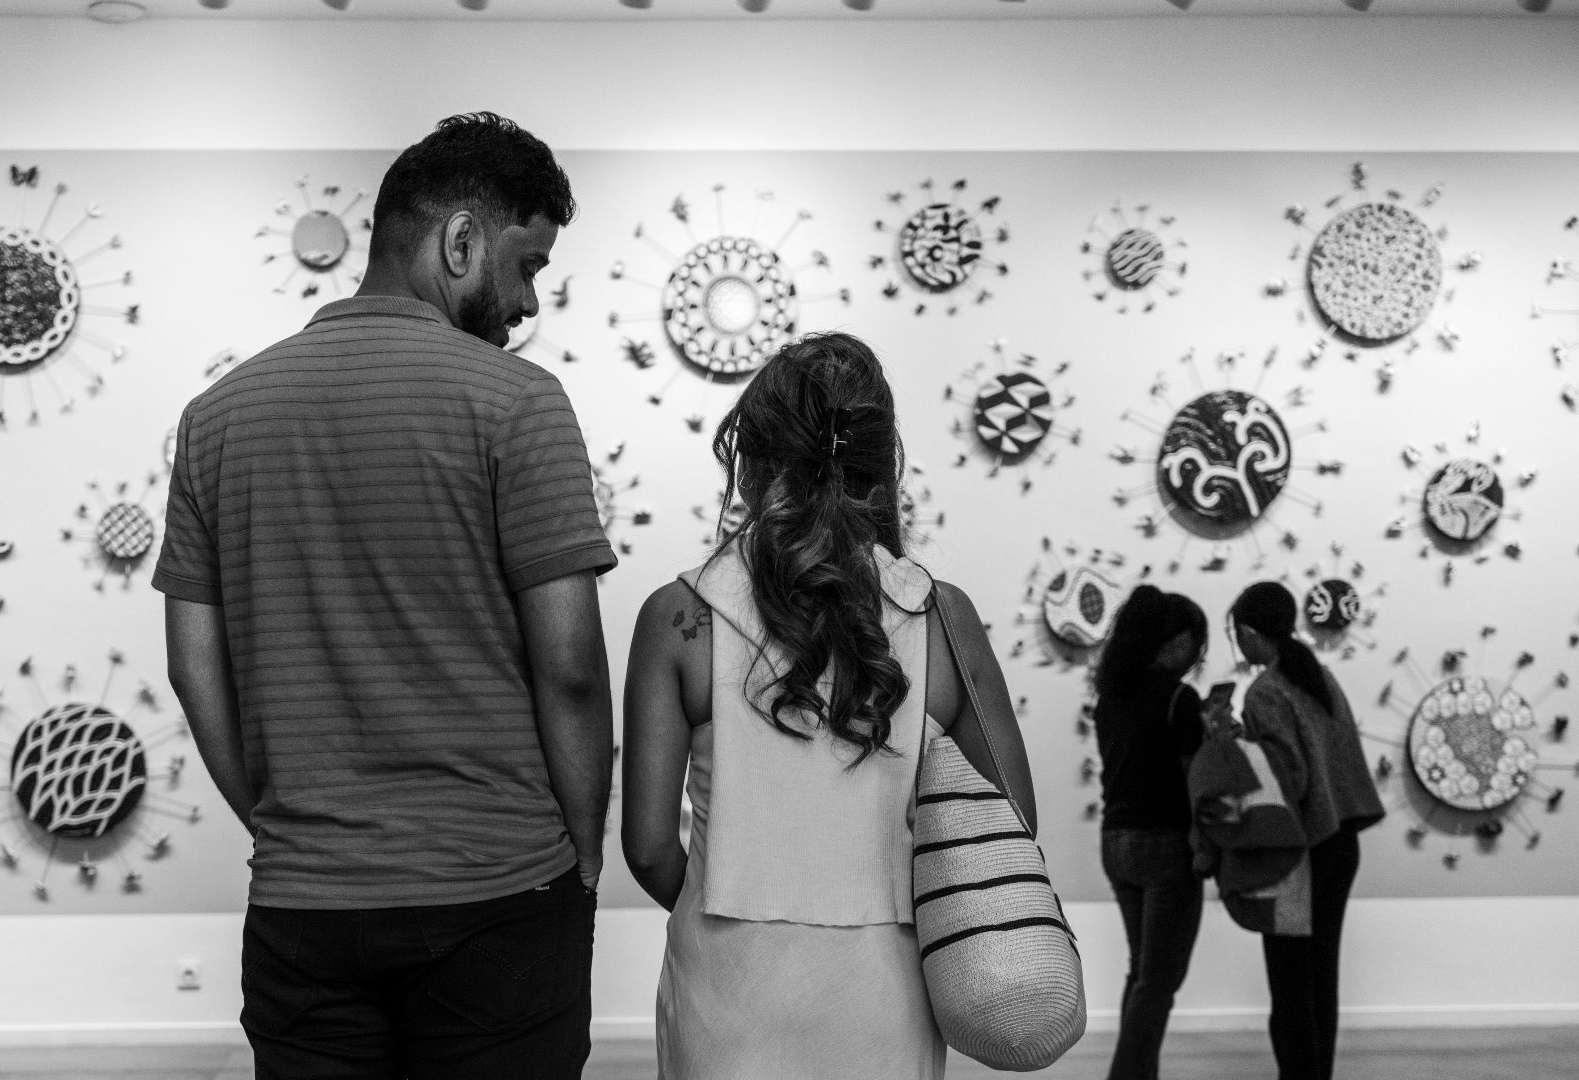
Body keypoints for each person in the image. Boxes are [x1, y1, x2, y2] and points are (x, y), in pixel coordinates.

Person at [154, 112, 617, 1080]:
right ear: (461, 241)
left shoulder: (215, 418)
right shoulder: (519, 401)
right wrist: (582, 852)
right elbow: (571, 667)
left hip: (302, 908)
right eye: (527, 266)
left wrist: (285, 825)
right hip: (497, 889)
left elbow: (195, 672)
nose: (527, 304)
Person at [620, 332, 1038, 1080]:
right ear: (883, 466)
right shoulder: (941, 616)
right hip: (889, 984)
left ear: (752, 463)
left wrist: (728, 904)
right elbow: (1011, 821)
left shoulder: (680, 616)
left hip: (725, 984)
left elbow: (649, 847)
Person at [1227, 581, 1385, 1080]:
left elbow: (1286, 777)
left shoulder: (1265, 691)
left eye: (1236, 635)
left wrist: (1236, 749)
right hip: (1341, 841)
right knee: (1320, 975)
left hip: (1301, 849)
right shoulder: (1318, 674)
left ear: (1248, 632)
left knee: (1291, 980)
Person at [1091, 585, 1209, 1080]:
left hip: (1116, 840)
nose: (1198, 657)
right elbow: (1197, 782)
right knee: (1159, 979)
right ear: (1178, 641)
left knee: (1142, 970)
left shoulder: (1111, 698)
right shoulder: (1181, 699)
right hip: (1165, 844)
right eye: (1197, 644)